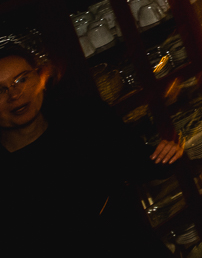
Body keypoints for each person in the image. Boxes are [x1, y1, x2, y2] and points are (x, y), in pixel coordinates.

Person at [0, 42, 182, 257]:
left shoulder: (85, 118)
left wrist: (168, 153)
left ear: (40, 78)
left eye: (22, 79)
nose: (15, 94)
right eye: (0, 89)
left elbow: (139, 163)